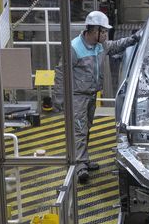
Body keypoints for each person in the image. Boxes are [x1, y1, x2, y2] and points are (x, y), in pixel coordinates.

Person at [55, 11, 138, 183]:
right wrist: (61, 99)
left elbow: (115, 46)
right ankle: (80, 167)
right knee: (79, 130)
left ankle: (83, 159)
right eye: (104, 31)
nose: (106, 35)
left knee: (86, 128)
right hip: (77, 97)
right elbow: (61, 73)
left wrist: (133, 39)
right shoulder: (74, 47)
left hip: (91, 95)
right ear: (94, 31)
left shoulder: (100, 45)